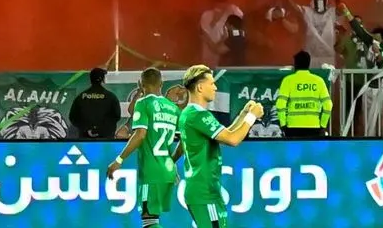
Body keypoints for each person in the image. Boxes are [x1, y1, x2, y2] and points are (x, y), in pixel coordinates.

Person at [177, 65, 264, 228]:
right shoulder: (198, 115)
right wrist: (252, 117)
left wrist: (243, 114)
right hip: (204, 192)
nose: (215, 87)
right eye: (211, 83)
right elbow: (233, 140)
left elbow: (226, 134)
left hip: (206, 189)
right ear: (200, 87)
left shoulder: (192, 114)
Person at [103, 68, 179, 228]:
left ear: (140, 84)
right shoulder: (173, 108)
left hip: (151, 171)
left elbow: (140, 134)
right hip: (168, 171)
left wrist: (119, 160)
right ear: (162, 84)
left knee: (148, 220)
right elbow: (183, 142)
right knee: (153, 218)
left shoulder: (143, 103)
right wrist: (172, 164)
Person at [275, 51, 333, 139]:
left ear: (295, 64)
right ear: (309, 63)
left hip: (292, 127)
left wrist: (283, 125)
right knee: (312, 153)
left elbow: (280, 105)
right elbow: (328, 105)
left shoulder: (288, 80)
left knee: (293, 152)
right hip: (314, 126)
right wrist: (323, 125)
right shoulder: (319, 81)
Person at [67, 68, 120, 140]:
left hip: (85, 139)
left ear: (91, 80)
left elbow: (73, 117)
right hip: (106, 139)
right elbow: (116, 116)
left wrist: (87, 129)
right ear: (103, 79)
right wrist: (101, 130)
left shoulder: (80, 97)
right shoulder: (111, 97)